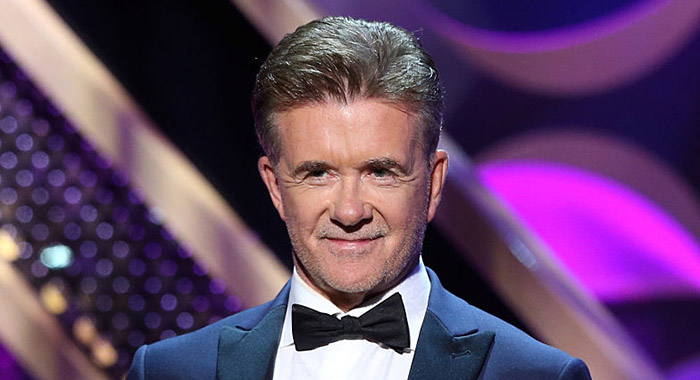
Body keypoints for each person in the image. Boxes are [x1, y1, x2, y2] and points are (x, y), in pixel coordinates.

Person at [127, 16, 592, 380]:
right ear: (275, 187)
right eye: (318, 173)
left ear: (432, 184)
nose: (350, 211)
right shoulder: (170, 372)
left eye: (380, 172)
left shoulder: (534, 375)